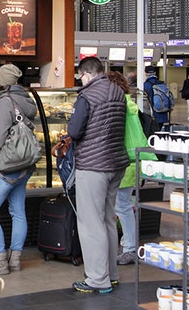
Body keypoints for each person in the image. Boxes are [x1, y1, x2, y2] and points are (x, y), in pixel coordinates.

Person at [67, 56, 128, 294]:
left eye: (80, 77)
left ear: (86, 74)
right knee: (107, 219)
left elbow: (74, 130)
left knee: (91, 223)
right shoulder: (117, 92)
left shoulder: (87, 96)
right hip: (116, 163)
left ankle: (96, 279)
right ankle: (111, 275)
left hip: (93, 165)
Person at [0, 64, 38, 275]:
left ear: (0, 81)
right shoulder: (26, 100)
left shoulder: (5, 103)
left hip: (8, 166)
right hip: (25, 165)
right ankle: (15, 260)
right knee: (18, 212)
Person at [107, 72, 156, 266]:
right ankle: (127, 245)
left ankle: (129, 248)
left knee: (123, 206)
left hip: (124, 160)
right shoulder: (130, 104)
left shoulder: (120, 107)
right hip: (133, 160)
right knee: (124, 205)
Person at [143, 66, 171, 130]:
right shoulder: (162, 83)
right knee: (159, 131)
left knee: (152, 134)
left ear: (146, 73)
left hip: (152, 114)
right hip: (163, 113)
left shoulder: (146, 85)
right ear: (155, 73)